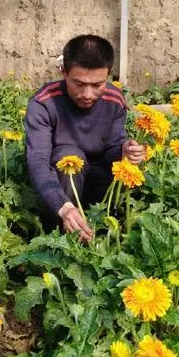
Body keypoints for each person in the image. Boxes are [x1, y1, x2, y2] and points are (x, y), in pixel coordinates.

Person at [24, 34, 145, 242]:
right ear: (64, 72)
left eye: (98, 84)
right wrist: (63, 207)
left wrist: (124, 152)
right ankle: (59, 241)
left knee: (129, 174)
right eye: (79, 84)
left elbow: (111, 152)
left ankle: (111, 235)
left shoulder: (115, 100)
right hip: (60, 188)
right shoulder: (43, 103)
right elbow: (38, 162)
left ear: (108, 75)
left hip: (98, 183)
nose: (88, 94)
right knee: (69, 156)